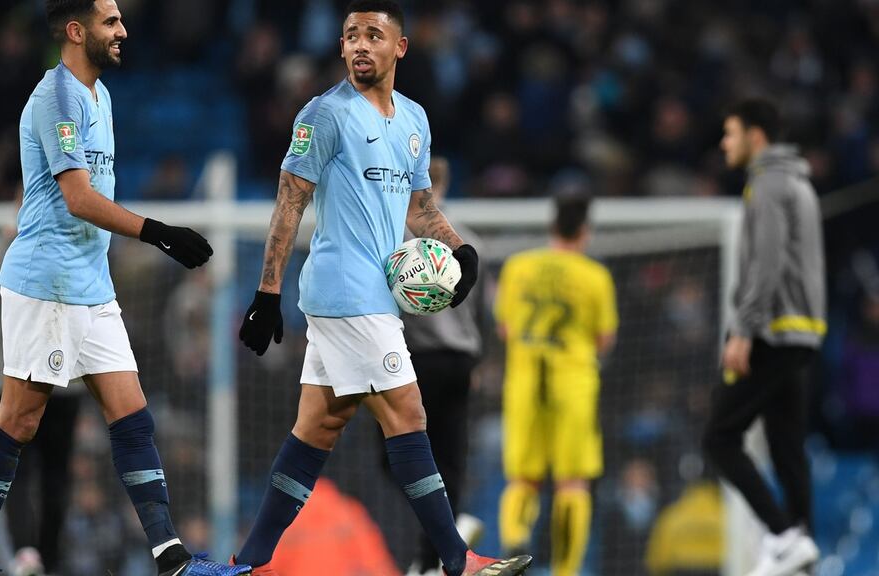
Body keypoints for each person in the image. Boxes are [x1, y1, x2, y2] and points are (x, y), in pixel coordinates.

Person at [0, 2, 250, 575]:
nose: (123, 30)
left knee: (131, 413)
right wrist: (158, 233)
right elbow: (78, 198)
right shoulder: (56, 97)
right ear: (76, 30)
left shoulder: (99, 96)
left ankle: (172, 558)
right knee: (19, 419)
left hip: (90, 282)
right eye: (111, 22)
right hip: (48, 281)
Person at [235, 2, 532, 575]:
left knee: (316, 429)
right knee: (409, 412)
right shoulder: (324, 114)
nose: (359, 45)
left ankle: (247, 562)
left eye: (373, 35)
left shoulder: (415, 120)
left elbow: (420, 208)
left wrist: (460, 251)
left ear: (400, 46)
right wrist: (267, 292)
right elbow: (289, 201)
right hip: (347, 290)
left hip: (375, 293)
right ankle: (455, 558)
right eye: (350, 36)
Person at [702, 98, 826, 576]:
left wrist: (743, 330)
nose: (724, 143)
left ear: (755, 136)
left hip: (773, 330)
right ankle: (802, 547)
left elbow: (767, 263)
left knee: (719, 435)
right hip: (801, 330)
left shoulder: (769, 183)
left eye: (730, 133)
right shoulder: (799, 180)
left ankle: (781, 534)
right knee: (787, 445)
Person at [496, 194, 617, 576]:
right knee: (572, 484)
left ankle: (515, 542)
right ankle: (565, 570)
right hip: (574, 386)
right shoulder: (595, 276)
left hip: (526, 382)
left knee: (523, 478)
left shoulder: (518, 267)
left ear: (551, 228)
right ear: (585, 231)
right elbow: (604, 339)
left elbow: (504, 328)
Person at [400, 156, 487, 576]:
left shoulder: (403, 244)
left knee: (403, 454)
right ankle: (444, 536)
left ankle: (440, 536)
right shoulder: (469, 242)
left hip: (421, 360)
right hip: (462, 359)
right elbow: (483, 313)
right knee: (448, 454)